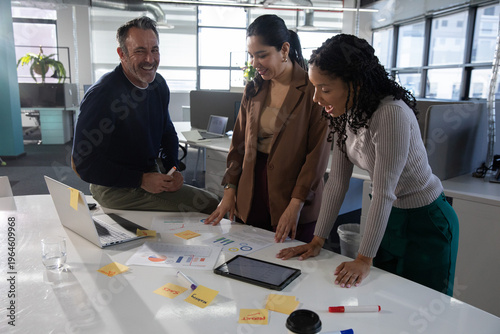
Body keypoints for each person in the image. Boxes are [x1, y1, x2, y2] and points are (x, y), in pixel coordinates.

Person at [277, 34, 459, 296]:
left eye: (325, 89)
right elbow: (338, 182)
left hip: (425, 220)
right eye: (314, 87)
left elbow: (385, 191)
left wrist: (363, 258)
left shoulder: (390, 113)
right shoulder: (344, 112)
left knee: (422, 305)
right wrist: (318, 240)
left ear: (356, 84)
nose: (317, 98)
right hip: (390, 216)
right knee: (385, 300)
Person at [72, 16, 218, 214]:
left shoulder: (158, 85)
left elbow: (167, 132)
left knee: (201, 199)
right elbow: (82, 164)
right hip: (113, 186)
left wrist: (172, 168)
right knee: (209, 203)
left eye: (154, 50)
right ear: (122, 54)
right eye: (140, 51)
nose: (150, 59)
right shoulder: (103, 95)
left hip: (148, 170)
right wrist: (140, 180)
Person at [204, 14, 330, 243]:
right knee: (243, 260)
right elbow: (238, 145)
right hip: (251, 193)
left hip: (294, 195)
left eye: (262, 55)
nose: (254, 63)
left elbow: (317, 157)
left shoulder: (312, 89)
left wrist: (296, 203)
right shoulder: (253, 90)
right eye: (251, 56)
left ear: (284, 50)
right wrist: (230, 190)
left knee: (288, 270)